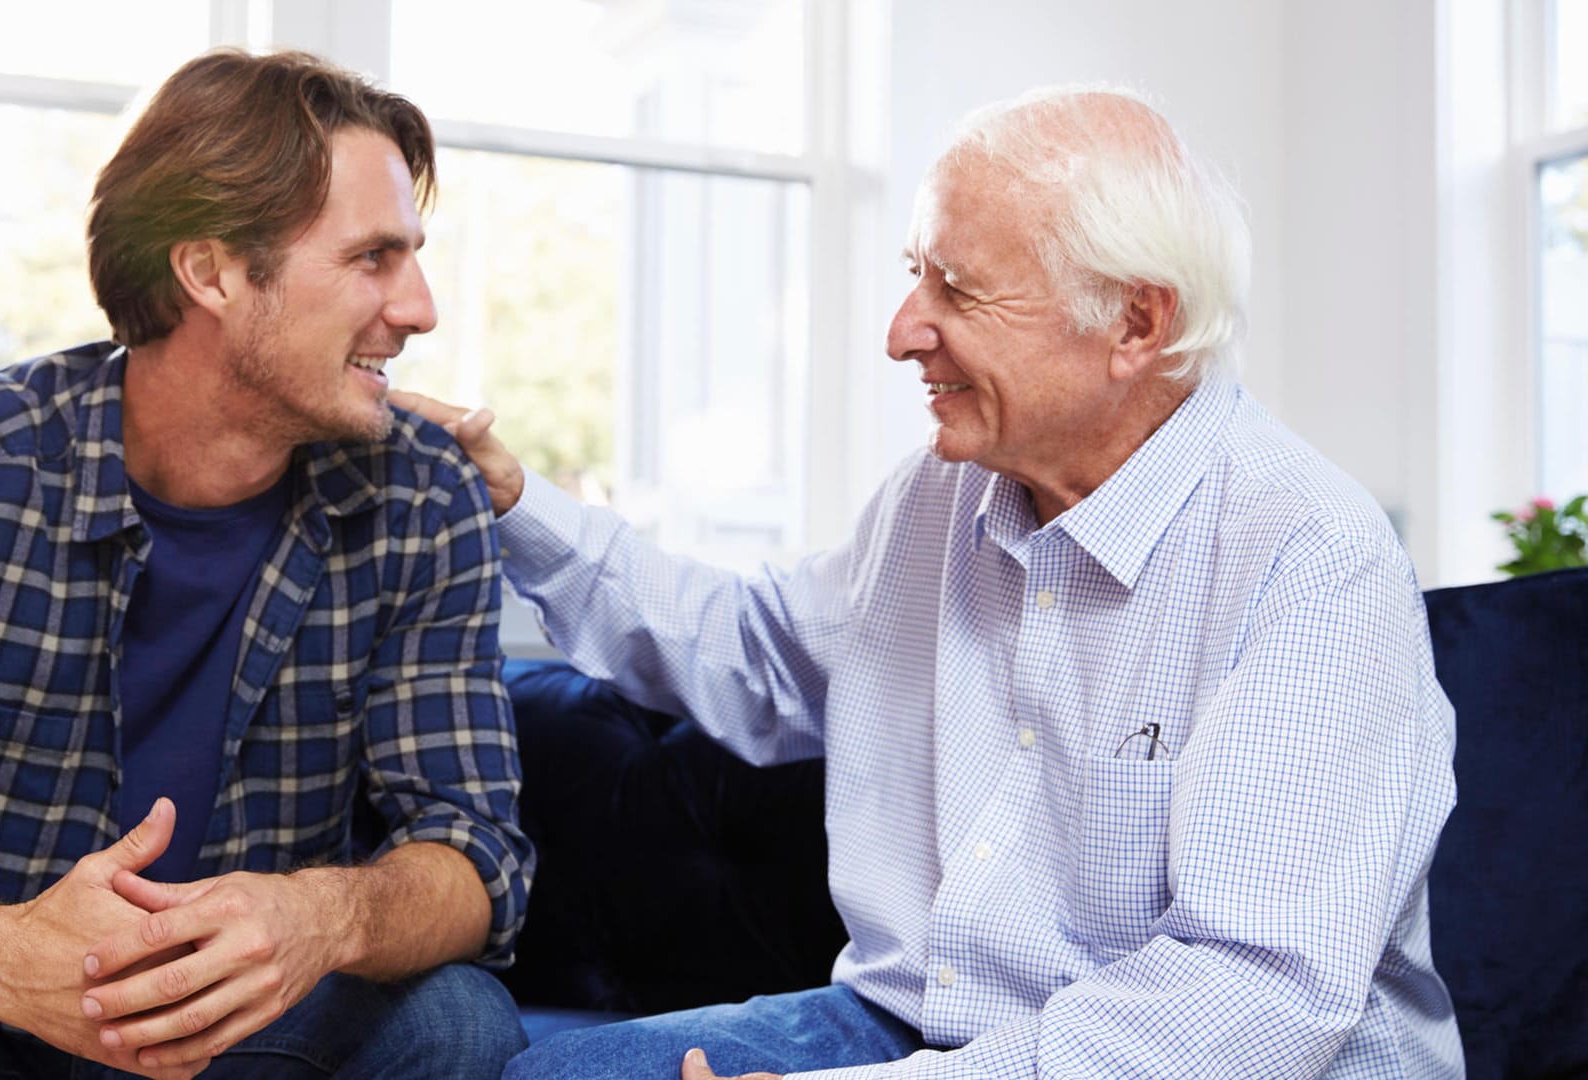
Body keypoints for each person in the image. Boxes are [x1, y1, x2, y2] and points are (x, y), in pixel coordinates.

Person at [398, 86, 1461, 1079]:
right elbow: (746, 646)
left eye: (955, 288)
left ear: (1134, 325)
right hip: (920, 1029)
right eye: (918, 274)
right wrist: (512, 502)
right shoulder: (940, 497)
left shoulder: (1314, 563)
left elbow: (1250, 1001)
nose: (905, 330)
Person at [0, 49, 532, 1080]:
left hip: (247, 1032)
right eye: (372, 259)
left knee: (461, 1019)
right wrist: (2, 958)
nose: (420, 307)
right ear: (209, 270)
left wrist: (319, 916)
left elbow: (474, 853)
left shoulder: (425, 496)